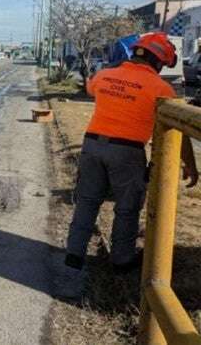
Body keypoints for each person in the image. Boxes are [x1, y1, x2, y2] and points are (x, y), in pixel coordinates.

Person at [65, 32, 198, 276]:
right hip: (127, 152)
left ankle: (74, 254)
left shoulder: (104, 75)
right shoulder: (161, 89)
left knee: (87, 200)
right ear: (157, 62)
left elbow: (90, 88)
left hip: (92, 144)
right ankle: (122, 259)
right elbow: (179, 128)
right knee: (127, 208)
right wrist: (190, 164)